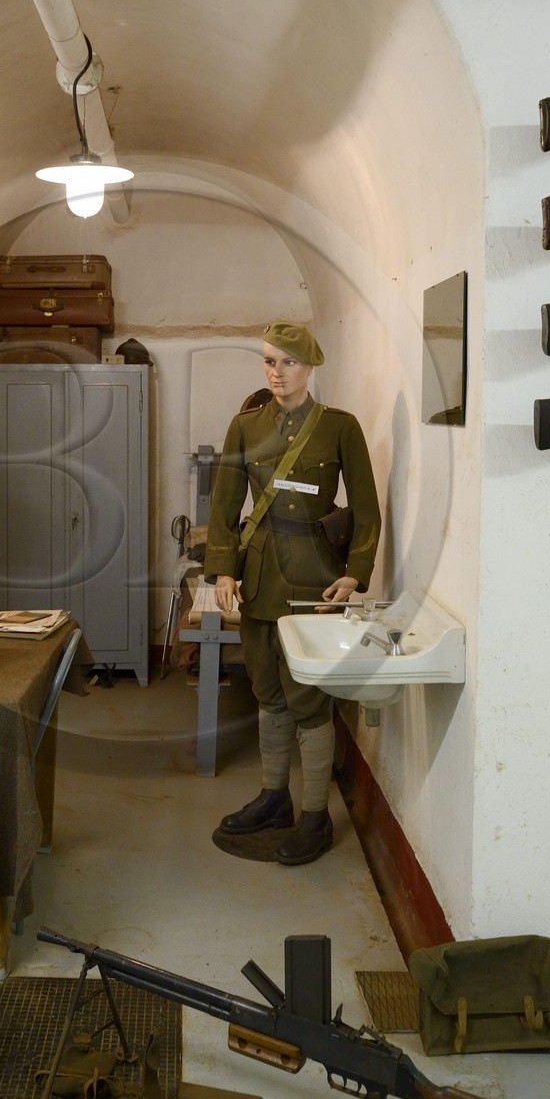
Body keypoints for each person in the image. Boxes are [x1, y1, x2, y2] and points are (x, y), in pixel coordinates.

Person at [204, 321, 381, 864]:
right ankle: (274, 796)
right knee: (268, 692)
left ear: (310, 368)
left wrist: (356, 571)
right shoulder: (244, 427)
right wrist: (224, 570)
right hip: (258, 579)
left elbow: (368, 508)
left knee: (310, 700)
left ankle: (314, 817)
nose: (276, 373)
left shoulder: (339, 427)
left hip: (314, 581)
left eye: (287, 363)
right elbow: (225, 504)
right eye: (268, 362)